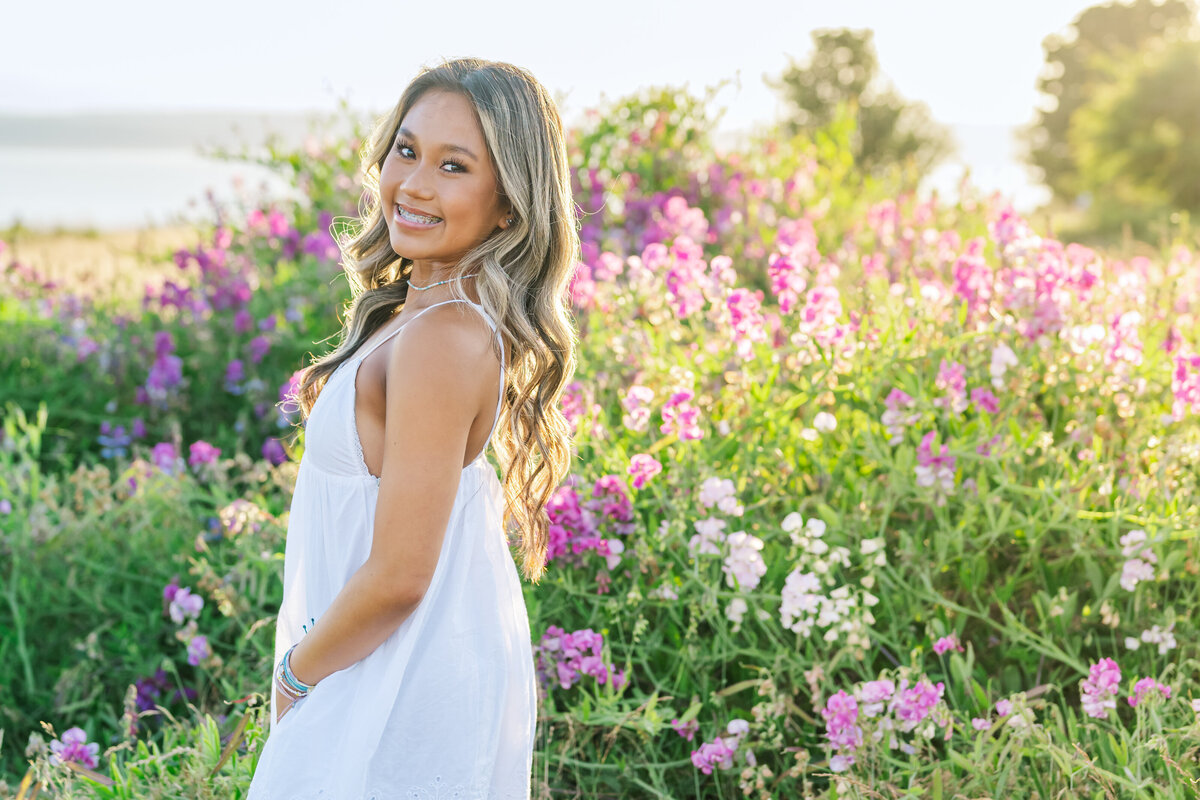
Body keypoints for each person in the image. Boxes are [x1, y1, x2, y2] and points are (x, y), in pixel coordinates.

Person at [246, 58, 579, 799]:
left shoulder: (441, 339)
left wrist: (294, 677)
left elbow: (399, 576)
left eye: (454, 165)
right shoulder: (420, 317)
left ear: (507, 206)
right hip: (384, 672)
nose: (415, 184)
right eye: (407, 150)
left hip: (389, 687)